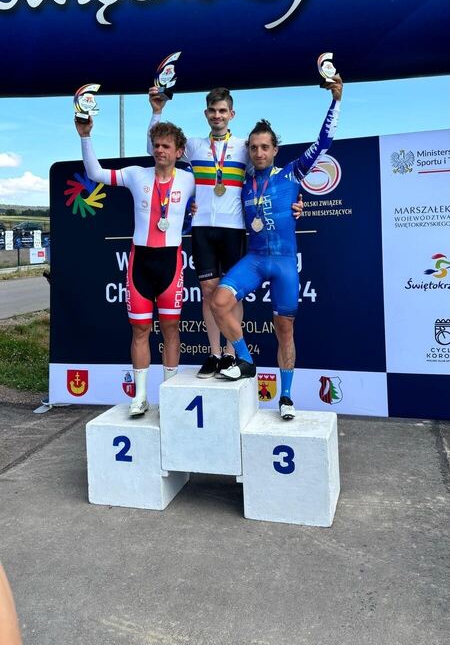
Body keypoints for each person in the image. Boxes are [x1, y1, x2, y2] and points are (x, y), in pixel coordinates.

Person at [211, 75, 343, 420]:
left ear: (274, 150)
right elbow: (212, 195)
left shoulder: (292, 174)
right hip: (255, 259)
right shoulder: (240, 182)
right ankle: (246, 360)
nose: (258, 152)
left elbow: (324, 142)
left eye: (264, 147)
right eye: (253, 147)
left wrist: (336, 101)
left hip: (283, 262)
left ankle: (285, 396)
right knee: (219, 302)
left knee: (285, 330)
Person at [147, 87, 303, 379]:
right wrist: (157, 112)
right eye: (212, 111)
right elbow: (153, 149)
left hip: (233, 228)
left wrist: (293, 202)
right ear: (206, 114)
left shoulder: (245, 146)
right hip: (203, 228)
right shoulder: (194, 146)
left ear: (231, 114)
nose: (217, 116)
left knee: (232, 295)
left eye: (222, 111)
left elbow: (272, 174)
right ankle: (215, 354)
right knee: (209, 292)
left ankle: (232, 355)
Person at [75, 115, 195, 416]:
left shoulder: (189, 179)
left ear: (179, 151)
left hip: (171, 262)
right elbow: (95, 173)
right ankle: (140, 396)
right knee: (140, 330)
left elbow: (224, 198)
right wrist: (85, 136)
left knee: (170, 329)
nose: (160, 150)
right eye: (156, 145)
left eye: (166, 146)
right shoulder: (136, 175)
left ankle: (168, 396)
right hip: (140, 262)